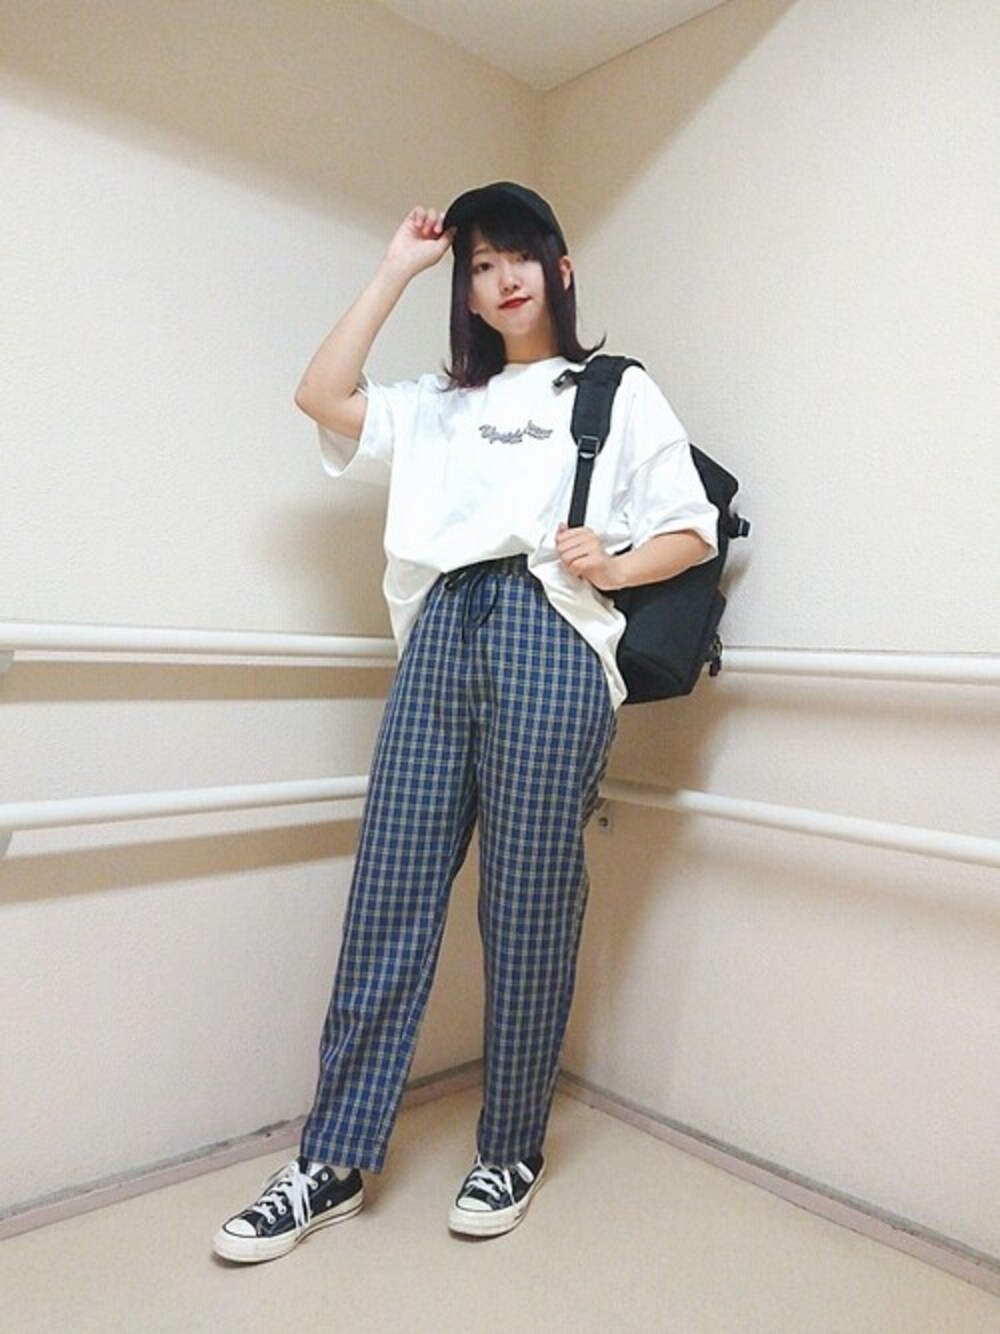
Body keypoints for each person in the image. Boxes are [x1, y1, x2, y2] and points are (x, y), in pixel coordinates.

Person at [213, 182, 719, 1264]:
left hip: (552, 631)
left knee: (528, 899)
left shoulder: (613, 390)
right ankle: (331, 1160)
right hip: (443, 628)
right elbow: (319, 392)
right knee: (389, 890)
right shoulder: (439, 403)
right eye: (480, 264)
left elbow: (692, 530)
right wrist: (397, 266)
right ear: (468, 290)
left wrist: (613, 562)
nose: (502, 277)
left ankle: (510, 1146)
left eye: (519, 255)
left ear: (560, 268)